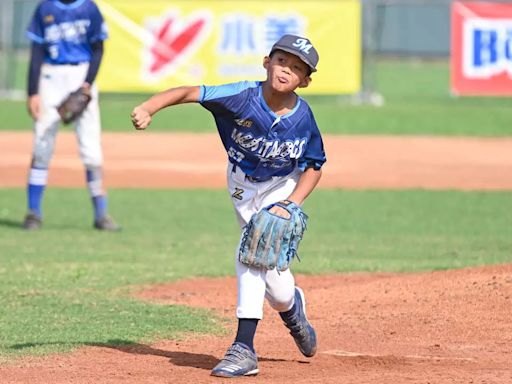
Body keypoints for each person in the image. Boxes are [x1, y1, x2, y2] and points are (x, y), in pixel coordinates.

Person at [131, 34, 326, 377]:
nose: (286, 70)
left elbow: (314, 164)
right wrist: (150, 107)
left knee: (250, 253)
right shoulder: (241, 96)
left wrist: (292, 203)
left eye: (296, 68)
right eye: (282, 61)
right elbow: (189, 92)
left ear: (305, 81)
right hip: (241, 185)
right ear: (267, 62)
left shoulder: (303, 117)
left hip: (281, 187)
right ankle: (293, 310)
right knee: (277, 286)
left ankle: (244, 349)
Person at [22, 0, 119, 231]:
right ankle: (33, 212)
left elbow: (98, 49)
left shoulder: (89, 8)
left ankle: (101, 214)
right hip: (51, 76)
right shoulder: (45, 8)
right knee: (42, 145)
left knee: (91, 149)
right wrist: (32, 92)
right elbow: (37, 51)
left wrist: (87, 85)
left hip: (81, 74)